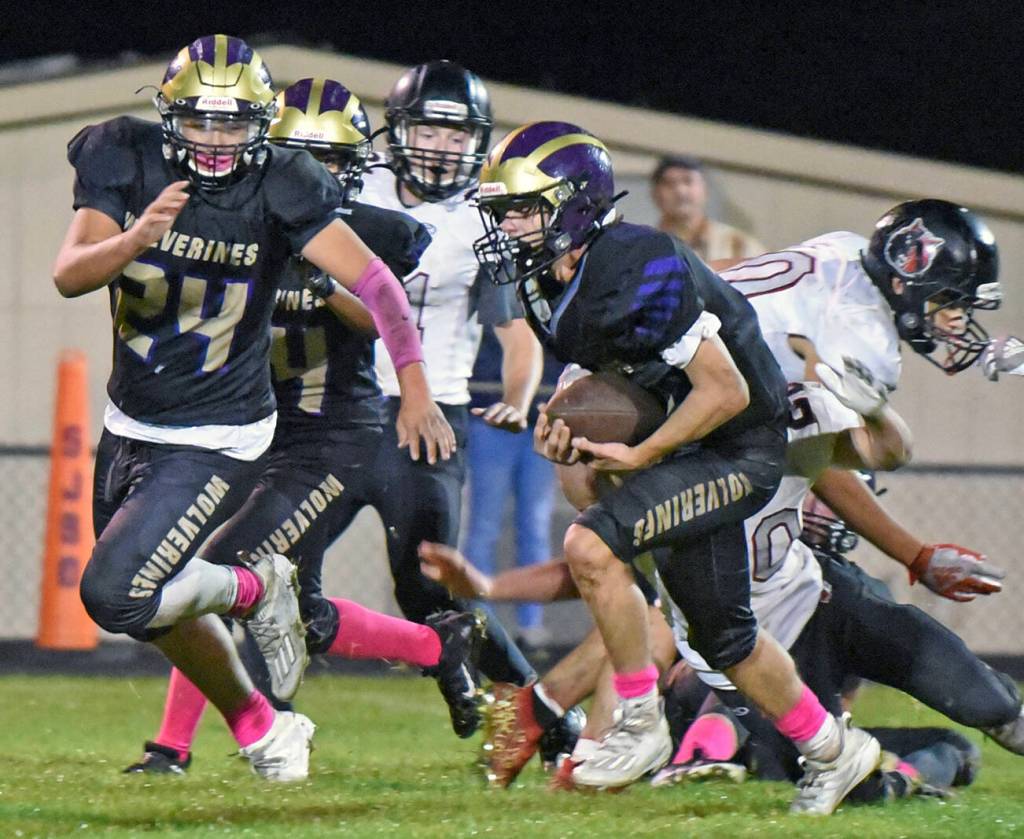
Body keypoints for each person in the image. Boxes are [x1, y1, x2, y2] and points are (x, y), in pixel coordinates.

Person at [54, 36, 450, 782]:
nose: (214, 139)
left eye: (234, 123)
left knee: (114, 595)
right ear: (169, 116)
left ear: (262, 124)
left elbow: (379, 285)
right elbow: (70, 275)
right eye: (200, 121)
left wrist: (416, 382)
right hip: (129, 420)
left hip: (221, 434)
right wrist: (138, 235)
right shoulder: (122, 156)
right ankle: (263, 725)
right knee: (154, 603)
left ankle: (252, 588)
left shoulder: (283, 183)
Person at [472, 120, 882, 815]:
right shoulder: (545, 283)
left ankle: (638, 720)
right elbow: (624, 375)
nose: (509, 225)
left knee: (590, 544)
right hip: (692, 442)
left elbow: (728, 389)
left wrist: (640, 452)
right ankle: (835, 753)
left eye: (523, 208)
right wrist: (568, 421)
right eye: (502, 210)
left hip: (738, 446)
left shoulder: (638, 262)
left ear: (573, 204)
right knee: (725, 643)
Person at [357, 60, 543, 694]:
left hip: (430, 417)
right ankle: (259, 722)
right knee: (266, 565)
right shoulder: (356, 186)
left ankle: (536, 710)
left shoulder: (483, 220)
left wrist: (518, 400)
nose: (442, 148)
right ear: (398, 131)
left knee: (429, 586)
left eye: (457, 134)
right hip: (335, 408)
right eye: (429, 132)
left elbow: (516, 335)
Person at [462, 325, 563, 646]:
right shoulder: (498, 286)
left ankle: (530, 627)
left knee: (534, 524)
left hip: (541, 419)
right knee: (484, 525)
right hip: (491, 415)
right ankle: (476, 620)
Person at [651, 155, 765, 264]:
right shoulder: (645, 247)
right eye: (670, 184)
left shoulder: (738, 246)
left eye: (688, 181)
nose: (680, 191)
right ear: (655, 194)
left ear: (705, 190)